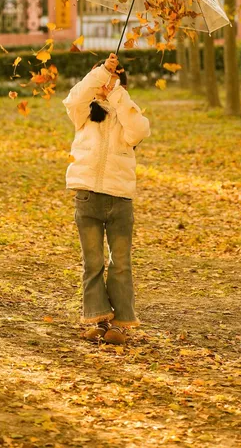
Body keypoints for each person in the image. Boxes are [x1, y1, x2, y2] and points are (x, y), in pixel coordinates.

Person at [63, 52, 150, 344]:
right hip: (87, 197)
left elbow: (139, 130)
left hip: (119, 200)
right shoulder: (83, 113)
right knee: (93, 262)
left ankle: (121, 324)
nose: (103, 84)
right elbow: (74, 98)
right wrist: (102, 73)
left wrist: (117, 94)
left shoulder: (128, 113)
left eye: (111, 79)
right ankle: (98, 318)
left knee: (120, 263)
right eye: (99, 78)